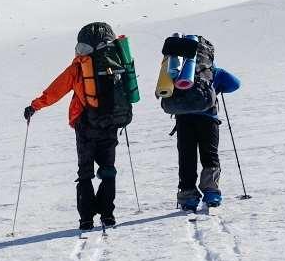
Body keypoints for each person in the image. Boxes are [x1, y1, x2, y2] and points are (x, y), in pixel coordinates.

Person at [24, 22, 134, 231]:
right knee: (108, 169)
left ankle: (86, 219)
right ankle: (108, 214)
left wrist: (34, 106)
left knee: (85, 171)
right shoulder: (117, 60)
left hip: (85, 124)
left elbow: (55, 91)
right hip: (111, 123)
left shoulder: (80, 66)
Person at [160, 34, 240, 214]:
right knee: (209, 154)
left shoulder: (177, 70)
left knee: (186, 157)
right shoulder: (211, 71)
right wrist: (215, 79)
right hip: (208, 119)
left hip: (183, 120)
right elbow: (235, 84)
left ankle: (188, 196)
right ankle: (211, 193)